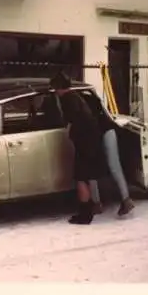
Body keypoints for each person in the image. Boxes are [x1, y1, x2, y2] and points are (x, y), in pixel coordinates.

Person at [52, 75, 106, 225]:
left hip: (85, 143)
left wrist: (70, 130)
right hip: (90, 142)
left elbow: (73, 120)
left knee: (81, 177)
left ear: (59, 88)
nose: (55, 92)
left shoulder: (68, 100)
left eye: (55, 89)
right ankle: (86, 211)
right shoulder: (77, 97)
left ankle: (85, 214)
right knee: (85, 177)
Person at [84, 90, 136, 216]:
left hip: (105, 131)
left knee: (108, 167)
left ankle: (100, 204)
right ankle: (125, 199)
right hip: (108, 130)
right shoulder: (87, 97)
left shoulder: (83, 103)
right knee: (113, 167)